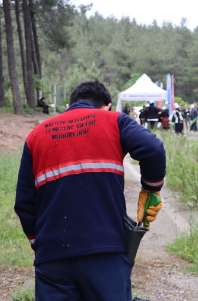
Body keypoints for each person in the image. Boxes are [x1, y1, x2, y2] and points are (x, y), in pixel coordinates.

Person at [15, 79, 166, 301]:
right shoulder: (114, 120)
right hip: (104, 251)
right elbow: (153, 149)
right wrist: (150, 189)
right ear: (107, 106)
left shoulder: (35, 136)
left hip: (52, 256)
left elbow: (25, 202)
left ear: (69, 106)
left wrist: (39, 242)